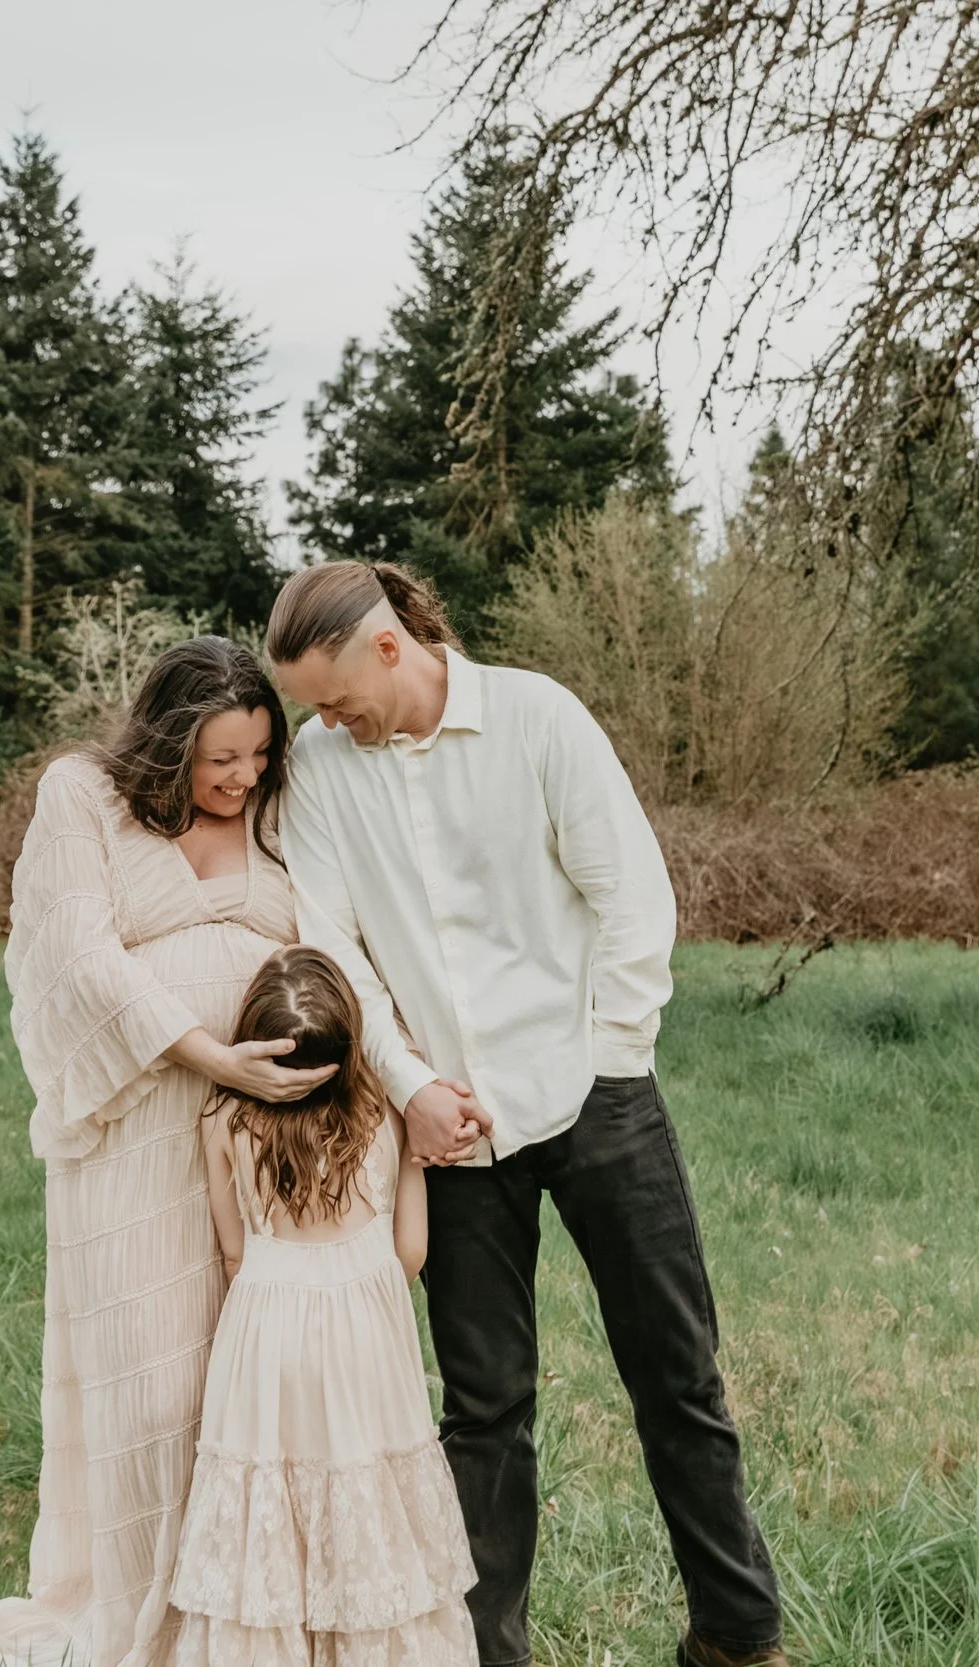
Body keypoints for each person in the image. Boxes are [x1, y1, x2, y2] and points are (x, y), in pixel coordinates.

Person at [267, 562, 786, 1667]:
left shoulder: (538, 718)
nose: (323, 718)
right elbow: (333, 945)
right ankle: (481, 1653)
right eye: (309, 703)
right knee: (485, 1409)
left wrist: (610, 1061)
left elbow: (631, 896)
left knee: (676, 1374)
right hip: (449, 1133)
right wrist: (407, 1086)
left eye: (333, 692)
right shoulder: (319, 769)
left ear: (388, 646)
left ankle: (738, 1635)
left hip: (597, 1099)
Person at [0, 637, 335, 1667]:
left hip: (253, 1147)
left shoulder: (282, 815)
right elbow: (72, 951)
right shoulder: (84, 795)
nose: (241, 778)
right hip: (129, 1132)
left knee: (245, 1385)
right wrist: (209, 1054)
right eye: (218, 759)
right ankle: (140, 1622)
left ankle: (235, 1620)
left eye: (257, 755)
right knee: (149, 1393)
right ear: (166, 743)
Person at [166, 944, 479, 1666]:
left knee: (271, 1493)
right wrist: (408, 1165)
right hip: (362, 1346)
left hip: (266, 1341)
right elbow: (409, 1254)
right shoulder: (380, 1118)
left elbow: (235, 1252)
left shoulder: (222, 1122)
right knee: (362, 1490)